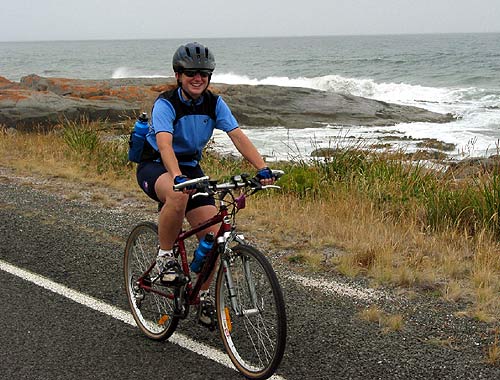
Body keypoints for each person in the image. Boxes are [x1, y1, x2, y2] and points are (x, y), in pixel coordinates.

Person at [136, 42, 274, 326]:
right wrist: (176, 177)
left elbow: (237, 135)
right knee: (178, 197)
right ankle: (164, 257)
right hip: (157, 165)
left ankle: (204, 296)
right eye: (191, 73)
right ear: (178, 75)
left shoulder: (214, 103)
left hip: (189, 168)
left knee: (213, 237)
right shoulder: (166, 104)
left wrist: (262, 168)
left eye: (204, 73)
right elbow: (164, 144)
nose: (198, 78)